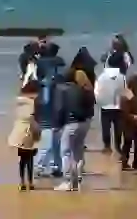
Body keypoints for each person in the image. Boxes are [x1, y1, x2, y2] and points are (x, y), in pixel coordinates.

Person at [56, 50, 96, 191]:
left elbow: (61, 109)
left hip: (71, 123)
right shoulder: (87, 90)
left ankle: (68, 181)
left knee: (66, 151)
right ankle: (78, 180)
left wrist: (58, 124)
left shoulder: (66, 90)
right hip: (84, 123)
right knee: (78, 150)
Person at [33, 43, 65, 178]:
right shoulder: (59, 63)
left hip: (45, 106)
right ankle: (53, 167)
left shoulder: (39, 64)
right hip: (56, 104)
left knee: (47, 140)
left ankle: (41, 167)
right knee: (55, 141)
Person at [8, 78, 41, 191]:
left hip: (18, 131)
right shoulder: (33, 103)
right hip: (29, 131)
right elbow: (32, 118)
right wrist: (37, 134)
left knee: (22, 158)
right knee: (30, 158)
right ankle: (30, 182)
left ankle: (22, 182)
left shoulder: (18, 102)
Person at [94, 53, 127, 155]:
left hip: (105, 106)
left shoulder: (102, 76)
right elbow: (125, 91)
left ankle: (107, 146)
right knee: (118, 128)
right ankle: (118, 147)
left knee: (105, 127)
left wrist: (98, 101)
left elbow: (97, 91)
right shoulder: (121, 77)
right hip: (118, 107)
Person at [119, 75, 137, 170]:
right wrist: (135, 117)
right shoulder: (126, 96)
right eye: (136, 85)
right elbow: (124, 112)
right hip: (127, 124)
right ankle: (124, 162)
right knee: (127, 143)